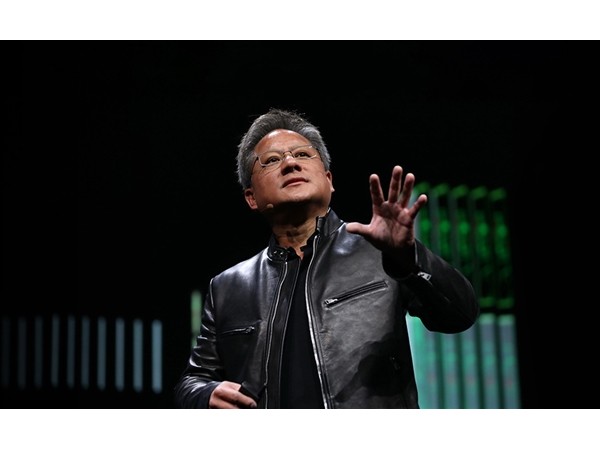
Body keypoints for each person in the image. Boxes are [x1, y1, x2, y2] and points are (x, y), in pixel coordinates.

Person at [174, 108, 479, 408]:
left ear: (329, 179)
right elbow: (193, 381)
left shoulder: (382, 251)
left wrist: (408, 259)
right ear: (251, 197)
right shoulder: (227, 287)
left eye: (302, 154)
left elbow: (460, 315)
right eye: (272, 160)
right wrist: (205, 395)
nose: (290, 163)